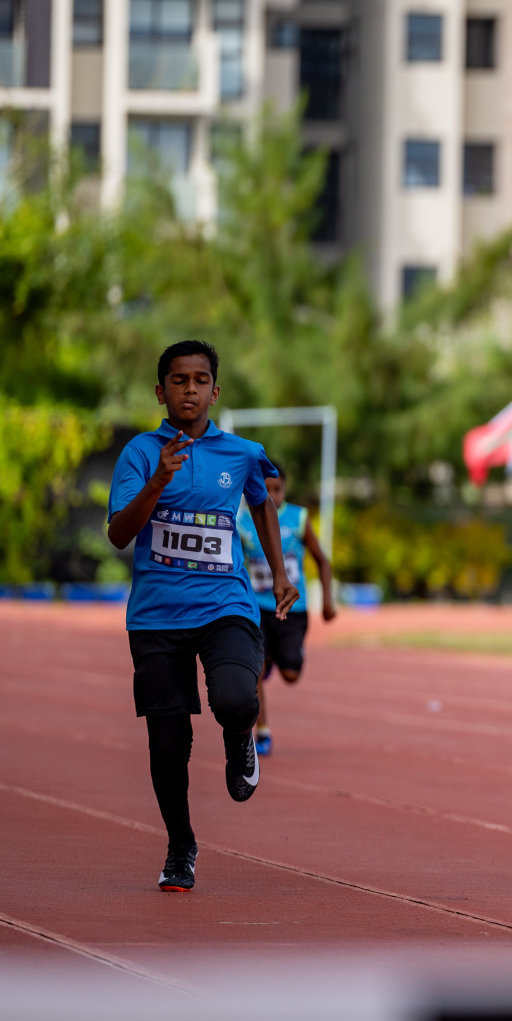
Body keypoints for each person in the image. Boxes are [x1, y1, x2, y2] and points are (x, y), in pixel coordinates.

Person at [107, 341, 297, 892]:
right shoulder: (141, 454)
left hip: (225, 605)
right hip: (157, 616)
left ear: (216, 390)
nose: (188, 390)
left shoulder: (242, 452)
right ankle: (180, 845)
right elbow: (120, 534)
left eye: (199, 380)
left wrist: (280, 574)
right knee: (168, 745)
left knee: (237, 697)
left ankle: (241, 737)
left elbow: (261, 501)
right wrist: (158, 482)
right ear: (159, 391)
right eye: (177, 380)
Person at [236, 461, 338, 757]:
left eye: (277, 489)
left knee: (291, 674)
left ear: (285, 489)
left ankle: (277, 657)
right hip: (257, 608)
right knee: (253, 669)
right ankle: (263, 731)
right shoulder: (242, 521)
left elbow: (322, 561)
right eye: (265, 490)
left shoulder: (297, 518)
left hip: (293, 608)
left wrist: (328, 602)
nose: (271, 496)